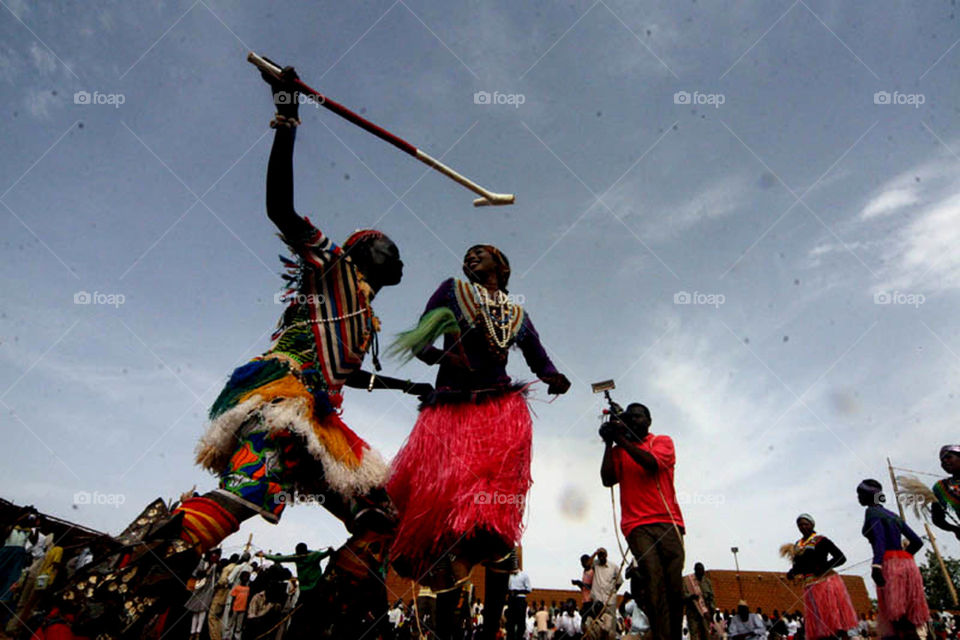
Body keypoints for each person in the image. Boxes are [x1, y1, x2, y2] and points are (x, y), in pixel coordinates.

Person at [387, 243, 571, 640]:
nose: (470, 257)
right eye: (467, 254)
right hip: (451, 413)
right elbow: (419, 342)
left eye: (481, 253)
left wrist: (554, 375)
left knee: (494, 522)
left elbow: (537, 356)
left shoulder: (516, 314)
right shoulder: (452, 291)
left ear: (501, 267)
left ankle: (491, 630)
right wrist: (441, 358)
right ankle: (447, 626)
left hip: (499, 414)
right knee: (447, 522)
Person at [600, 403, 685, 640]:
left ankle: (673, 635)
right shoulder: (619, 450)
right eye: (629, 417)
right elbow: (607, 479)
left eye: (637, 416)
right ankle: (661, 636)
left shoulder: (662, 441)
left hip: (668, 521)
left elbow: (651, 464)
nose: (633, 420)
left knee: (674, 586)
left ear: (649, 420)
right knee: (653, 581)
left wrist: (621, 439)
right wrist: (609, 443)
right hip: (636, 525)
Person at [858, 479, 929, 640]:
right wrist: (904, 557)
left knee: (895, 617)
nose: (858, 498)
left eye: (860, 494)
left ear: (869, 495)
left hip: (888, 565)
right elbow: (917, 542)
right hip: (907, 564)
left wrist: (877, 565)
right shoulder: (893, 515)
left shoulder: (871, 512)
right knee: (909, 621)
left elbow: (880, 540)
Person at [783, 513, 857, 640]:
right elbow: (799, 565)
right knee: (819, 621)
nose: (802, 527)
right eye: (800, 525)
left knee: (831, 618)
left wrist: (824, 567)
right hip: (810, 585)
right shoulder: (798, 545)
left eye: (805, 524)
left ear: (812, 525)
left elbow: (841, 558)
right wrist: (792, 572)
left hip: (825, 583)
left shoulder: (821, 540)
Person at [258, 543, 332, 639]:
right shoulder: (297, 557)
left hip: (315, 589)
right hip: (305, 590)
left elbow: (325, 554)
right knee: (298, 615)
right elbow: (281, 558)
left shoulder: (314, 555)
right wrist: (264, 555)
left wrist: (329, 551)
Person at [586, 548, 622, 640]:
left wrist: (612, 592)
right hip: (597, 602)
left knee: (610, 629)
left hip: (609, 602)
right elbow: (587, 565)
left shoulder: (613, 567)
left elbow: (619, 582)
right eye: (599, 555)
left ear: (606, 555)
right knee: (597, 626)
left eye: (602, 555)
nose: (601, 557)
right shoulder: (596, 564)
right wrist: (594, 553)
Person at [185, 548, 221, 640]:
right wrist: (208, 569)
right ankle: (192, 632)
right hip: (200, 588)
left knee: (203, 611)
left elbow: (217, 579)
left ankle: (197, 633)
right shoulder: (203, 563)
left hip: (208, 589)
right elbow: (197, 573)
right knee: (196, 611)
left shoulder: (216, 566)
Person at [931, 446, 960, 540]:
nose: (945, 462)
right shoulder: (942, 487)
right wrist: (955, 529)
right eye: (942, 461)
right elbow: (937, 518)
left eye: (949, 457)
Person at [684, 563, 716, 640]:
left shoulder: (707, 582)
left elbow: (711, 597)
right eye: (699, 570)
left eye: (702, 570)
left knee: (706, 632)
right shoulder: (688, 581)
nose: (701, 572)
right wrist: (691, 597)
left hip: (705, 612)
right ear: (695, 570)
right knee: (694, 633)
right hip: (693, 611)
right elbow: (682, 595)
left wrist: (712, 610)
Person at [506, 563, 532, 640]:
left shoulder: (524, 576)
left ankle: (519, 637)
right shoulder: (509, 576)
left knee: (521, 622)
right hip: (511, 600)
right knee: (510, 622)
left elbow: (529, 589)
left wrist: (517, 591)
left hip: (520, 600)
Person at [224, 571, 251, 640]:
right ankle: (226, 637)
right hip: (235, 608)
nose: (245, 579)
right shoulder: (237, 588)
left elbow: (247, 600)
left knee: (239, 625)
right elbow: (233, 598)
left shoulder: (248, 589)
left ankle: (237, 637)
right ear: (241, 578)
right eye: (244, 577)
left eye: (246, 577)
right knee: (230, 623)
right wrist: (230, 609)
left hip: (243, 609)